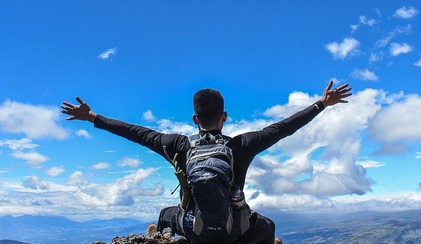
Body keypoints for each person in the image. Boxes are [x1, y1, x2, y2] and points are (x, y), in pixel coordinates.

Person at [61, 80, 352, 244]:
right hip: (234, 230)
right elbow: (284, 127)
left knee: (165, 213)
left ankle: (162, 235)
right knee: (268, 229)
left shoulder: (178, 145)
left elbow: (136, 133)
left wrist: (93, 118)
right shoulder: (241, 145)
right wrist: (321, 104)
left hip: (192, 229)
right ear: (224, 116)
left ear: (195, 119)